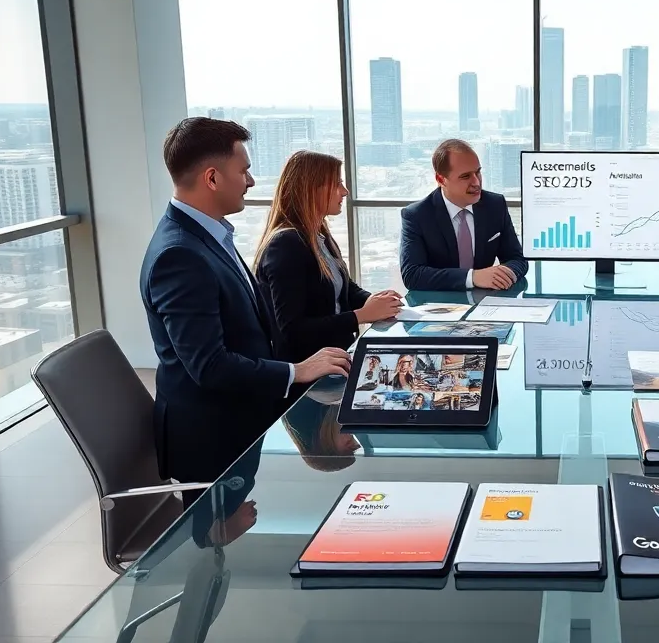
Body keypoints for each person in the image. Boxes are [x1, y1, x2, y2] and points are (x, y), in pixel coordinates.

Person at [140, 117, 351, 489]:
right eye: (245, 170)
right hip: (216, 443)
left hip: (246, 415)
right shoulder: (180, 255)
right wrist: (296, 371)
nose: (251, 181)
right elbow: (209, 366)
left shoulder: (208, 234)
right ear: (212, 178)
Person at [255, 150, 403, 363]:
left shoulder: (319, 235)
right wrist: (361, 316)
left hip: (337, 359)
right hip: (310, 371)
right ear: (310, 190)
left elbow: (344, 289)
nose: (344, 191)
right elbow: (293, 329)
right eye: (336, 184)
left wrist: (374, 301)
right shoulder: (286, 245)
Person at [399, 139, 528, 291]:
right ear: (441, 180)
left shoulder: (495, 205)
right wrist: (473, 277)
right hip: (441, 304)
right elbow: (412, 275)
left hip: (487, 303)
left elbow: (517, 259)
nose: (476, 182)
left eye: (478, 172)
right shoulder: (417, 215)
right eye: (466, 176)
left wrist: (506, 273)